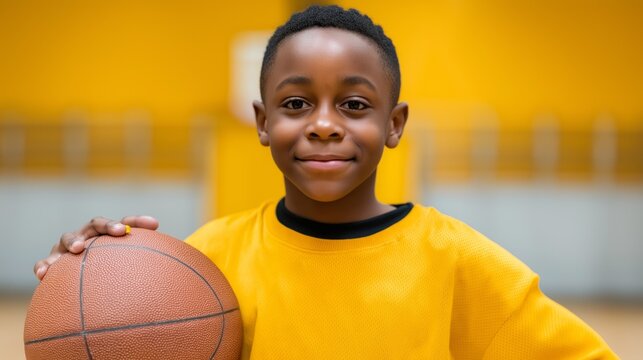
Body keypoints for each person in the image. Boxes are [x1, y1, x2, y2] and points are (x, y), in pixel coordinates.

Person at [34, 5, 618, 359]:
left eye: (354, 104)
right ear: (262, 123)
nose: (323, 125)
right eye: (296, 102)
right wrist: (87, 281)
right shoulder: (208, 259)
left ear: (395, 125)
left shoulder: (460, 263)